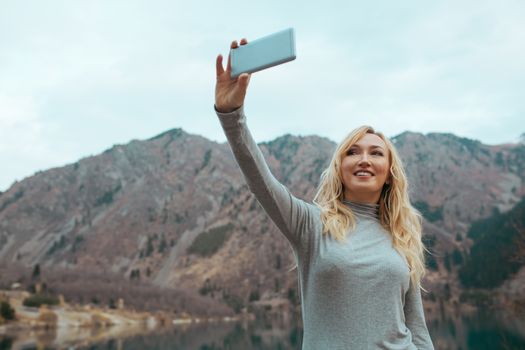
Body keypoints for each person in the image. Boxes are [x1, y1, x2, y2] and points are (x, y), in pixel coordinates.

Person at [214, 38, 435, 350]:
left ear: (389, 174)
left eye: (376, 153)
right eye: (353, 152)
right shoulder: (311, 224)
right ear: (340, 167)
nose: (364, 159)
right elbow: (261, 181)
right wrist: (231, 114)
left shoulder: (401, 237)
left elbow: (417, 329)